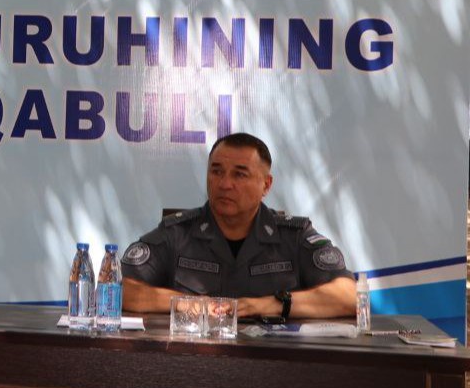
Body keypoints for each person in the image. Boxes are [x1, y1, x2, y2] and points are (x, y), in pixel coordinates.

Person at [122, 132, 355, 319]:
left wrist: (272, 305)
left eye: (239, 175)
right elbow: (117, 290)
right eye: (216, 172)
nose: (225, 184)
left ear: (266, 185)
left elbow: (348, 296)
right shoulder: (177, 233)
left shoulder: (293, 237)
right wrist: (184, 303)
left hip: (273, 360)